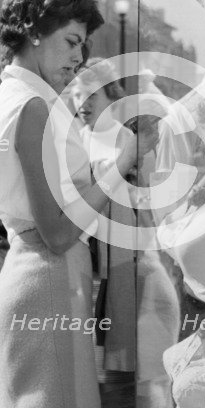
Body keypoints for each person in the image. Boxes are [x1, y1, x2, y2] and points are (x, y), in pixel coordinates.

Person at [0, 0, 157, 408]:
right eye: (71, 41)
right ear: (35, 30)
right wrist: (121, 163)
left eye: (83, 45)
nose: (78, 57)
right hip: (47, 283)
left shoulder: (10, 99)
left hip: (30, 280)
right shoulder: (33, 107)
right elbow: (58, 233)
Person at [73, 57, 137, 375]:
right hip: (82, 239)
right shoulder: (76, 138)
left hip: (117, 243)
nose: (82, 105)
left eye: (91, 96)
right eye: (76, 96)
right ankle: (93, 375)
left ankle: (111, 374)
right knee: (87, 311)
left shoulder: (126, 139)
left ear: (111, 94)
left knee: (113, 309)